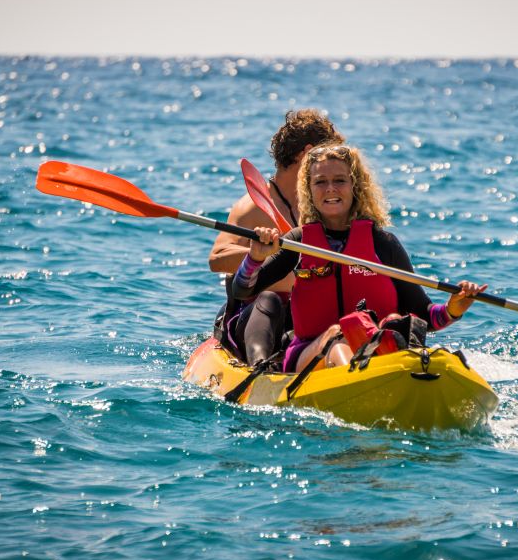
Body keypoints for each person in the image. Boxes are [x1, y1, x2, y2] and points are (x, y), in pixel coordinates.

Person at [232, 143, 487, 372]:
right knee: (337, 336)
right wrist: (255, 258)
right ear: (309, 190)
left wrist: (454, 308)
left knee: (397, 324)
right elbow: (242, 291)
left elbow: (425, 315)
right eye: (320, 182)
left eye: (340, 180)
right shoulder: (298, 242)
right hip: (311, 354)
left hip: (375, 353)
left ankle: (398, 373)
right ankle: (357, 378)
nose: (330, 189)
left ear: (355, 186)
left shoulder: (383, 244)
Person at [209, 109, 344, 366]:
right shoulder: (253, 207)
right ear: (306, 154)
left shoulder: (318, 209)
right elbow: (217, 259)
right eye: (329, 156)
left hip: (298, 319)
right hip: (253, 319)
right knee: (268, 301)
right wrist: (264, 253)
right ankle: (261, 368)